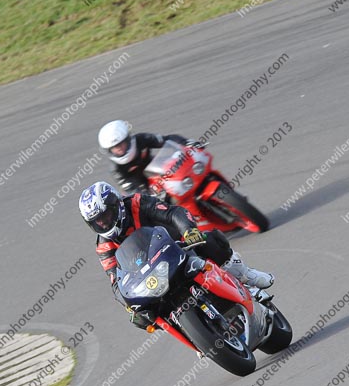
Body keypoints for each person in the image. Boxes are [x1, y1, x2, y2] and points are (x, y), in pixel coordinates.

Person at [79, 181, 273, 329]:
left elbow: (173, 213)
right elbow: (115, 281)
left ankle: (245, 274)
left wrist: (188, 231)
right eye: (98, 222)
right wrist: (128, 305)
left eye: (105, 216)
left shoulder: (137, 203)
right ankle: (193, 335)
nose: (104, 224)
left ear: (116, 205)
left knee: (210, 239)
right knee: (143, 316)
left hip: (177, 248)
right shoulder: (104, 247)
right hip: (150, 278)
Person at [97, 119, 202, 194]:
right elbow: (130, 188)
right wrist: (146, 196)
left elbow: (167, 139)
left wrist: (186, 143)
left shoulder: (141, 139)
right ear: (109, 151)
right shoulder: (115, 168)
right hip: (143, 187)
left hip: (159, 170)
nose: (119, 148)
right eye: (114, 148)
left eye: (121, 144)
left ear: (128, 139)